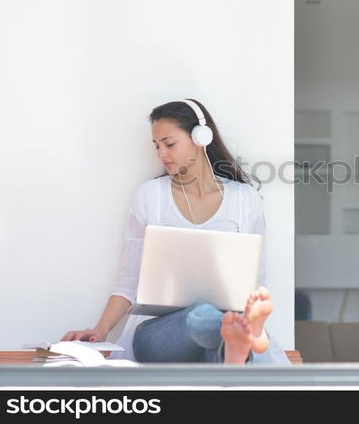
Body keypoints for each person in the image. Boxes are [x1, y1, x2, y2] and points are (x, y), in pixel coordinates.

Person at [61, 99, 290, 365]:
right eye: (157, 147)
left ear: (200, 137)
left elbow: (253, 283)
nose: (161, 154)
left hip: (219, 334)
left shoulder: (245, 199)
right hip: (158, 336)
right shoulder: (150, 196)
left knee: (220, 341)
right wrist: (100, 331)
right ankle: (246, 334)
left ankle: (234, 350)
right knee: (200, 315)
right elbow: (128, 282)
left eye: (169, 144)